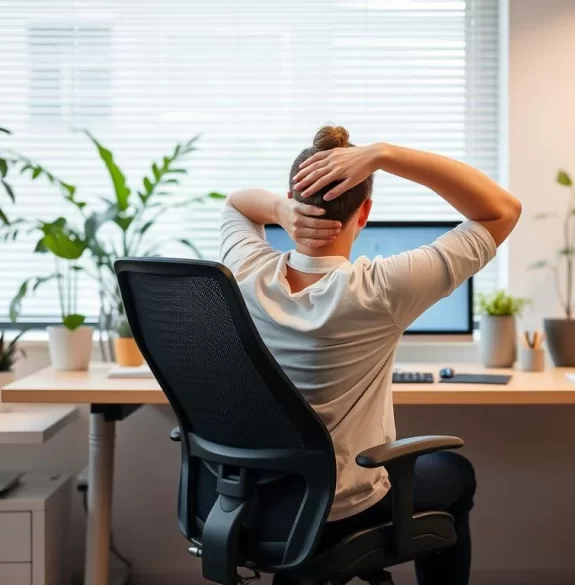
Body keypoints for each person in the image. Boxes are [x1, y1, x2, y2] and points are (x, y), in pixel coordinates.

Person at [218, 125, 521, 585]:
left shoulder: (245, 270)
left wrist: (281, 210)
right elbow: (502, 210)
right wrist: (384, 154)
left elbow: (236, 203)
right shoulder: (380, 289)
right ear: (365, 214)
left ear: (294, 203)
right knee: (455, 472)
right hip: (341, 510)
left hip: (251, 502)